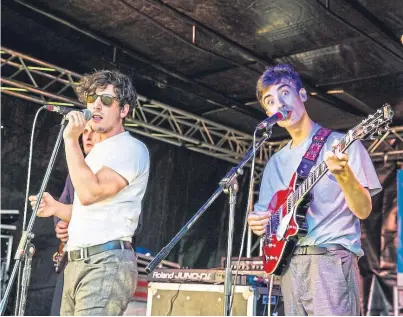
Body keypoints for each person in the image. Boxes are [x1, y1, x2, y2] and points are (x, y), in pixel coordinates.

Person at [247, 64, 382, 315]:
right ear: (267, 111)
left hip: (329, 261)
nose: (280, 103)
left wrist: (342, 174)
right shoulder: (274, 163)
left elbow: (364, 210)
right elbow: (268, 221)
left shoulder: (341, 144)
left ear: (302, 95)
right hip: (289, 265)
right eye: (271, 100)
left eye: (285, 92)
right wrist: (258, 224)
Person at [29, 70, 150, 316]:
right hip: (77, 261)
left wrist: (71, 141)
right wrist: (56, 208)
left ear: (123, 110)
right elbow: (92, 210)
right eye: (92, 99)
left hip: (105, 262)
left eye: (106, 100)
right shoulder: (95, 154)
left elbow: (90, 193)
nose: (96, 105)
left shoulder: (130, 148)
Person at [50, 123, 97, 316]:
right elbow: (63, 205)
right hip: (72, 259)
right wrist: (60, 225)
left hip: (98, 262)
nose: (87, 137)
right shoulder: (75, 174)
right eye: (84, 132)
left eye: (94, 131)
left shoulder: (115, 170)